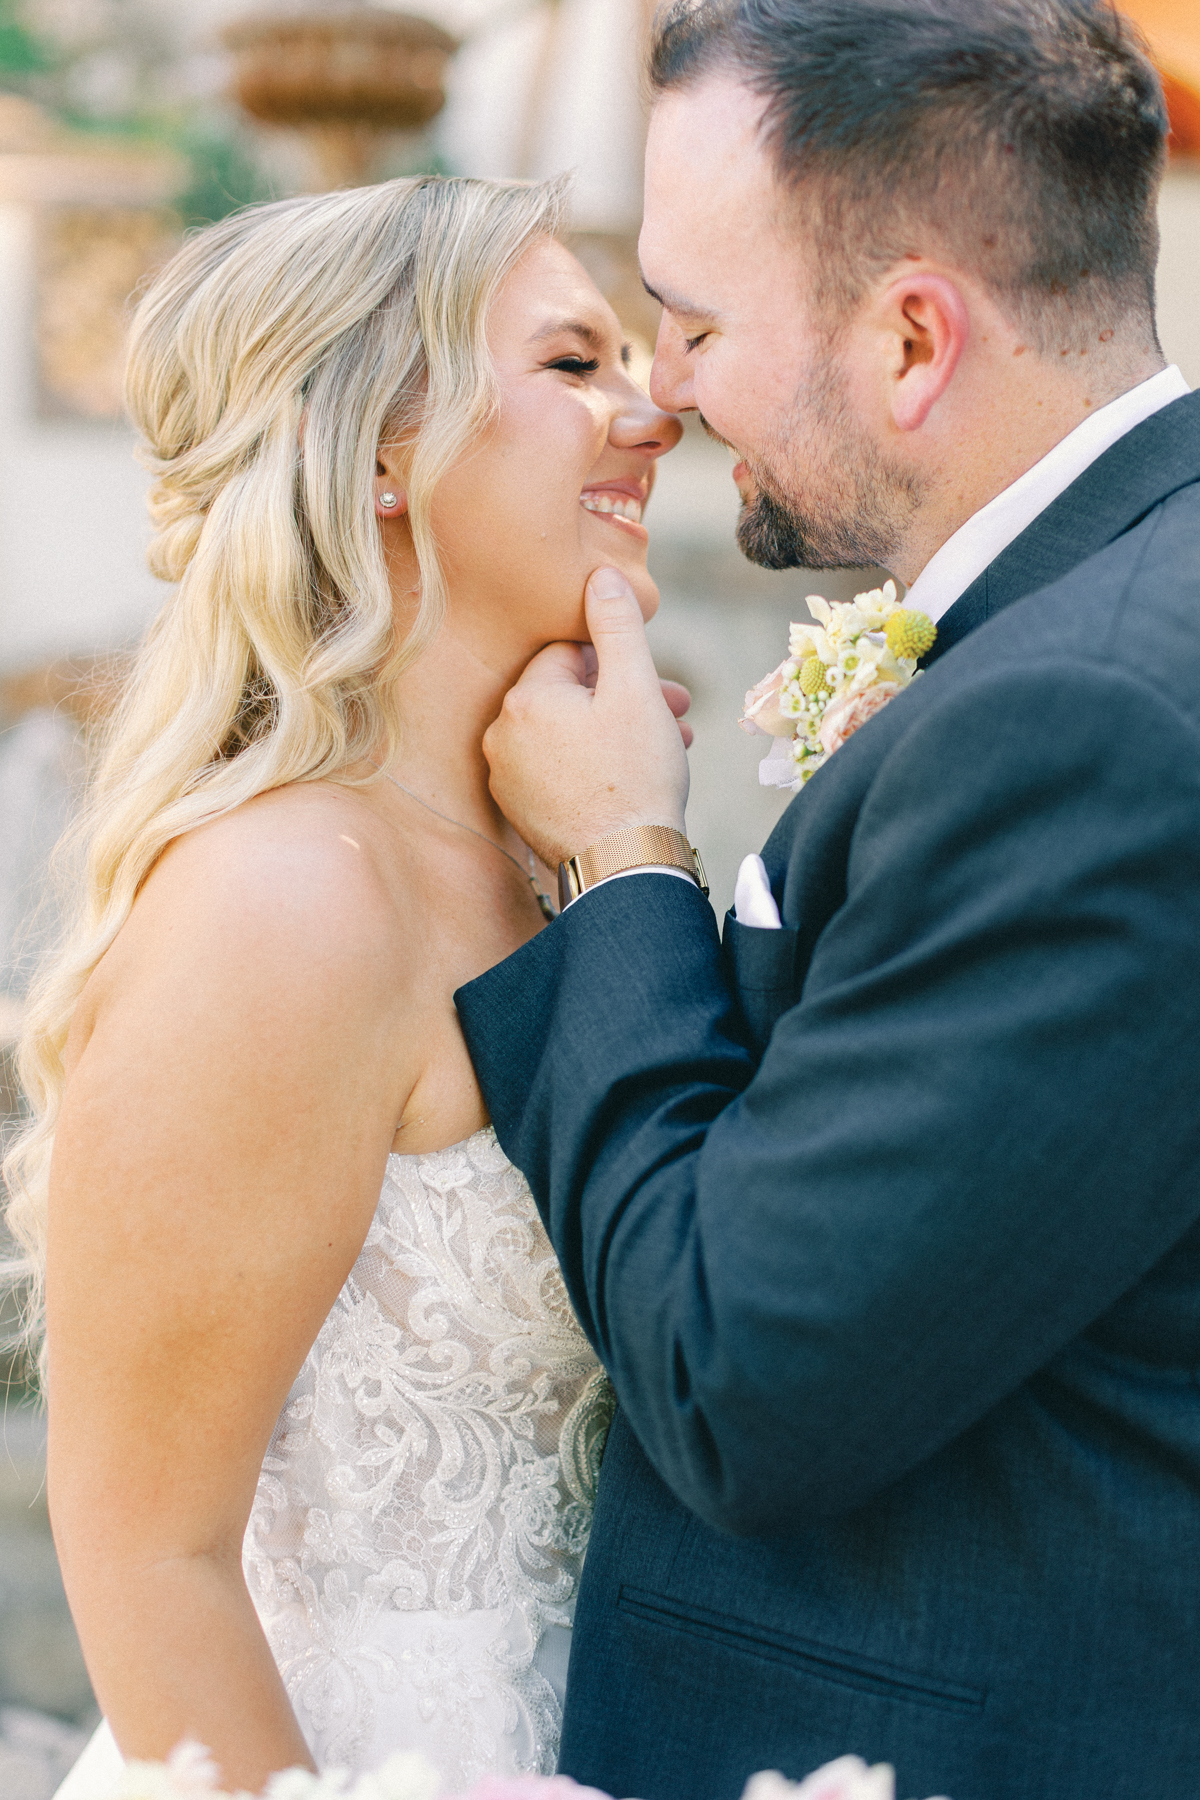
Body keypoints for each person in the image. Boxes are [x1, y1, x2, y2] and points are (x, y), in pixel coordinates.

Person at [453, 3, 1200, 1798]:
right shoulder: (1112, 615)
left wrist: (624, 863)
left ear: (914, 336)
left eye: (696, 322)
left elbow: (742, 1377)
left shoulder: (1079, 720)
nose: (667, 389)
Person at [1, 173, 684, 1797]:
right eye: (576, 364)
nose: (654, 415)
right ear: (385, 446)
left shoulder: (543, 857)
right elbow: (146, 1558)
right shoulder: (287, 895)